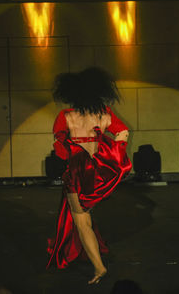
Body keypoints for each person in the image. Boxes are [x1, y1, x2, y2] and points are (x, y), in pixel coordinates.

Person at [46, 67, 132, 284]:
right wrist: (109, 153)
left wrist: (72, 152)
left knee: (82, 222)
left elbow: (60, 149)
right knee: (86, 217)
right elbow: (123, 132)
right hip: (96, 173)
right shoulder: (104, 114)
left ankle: (99, 267)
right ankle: (91, 256)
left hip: (76, 174)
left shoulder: (66, 116)